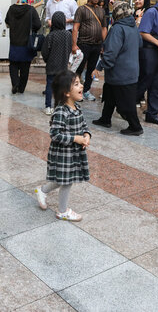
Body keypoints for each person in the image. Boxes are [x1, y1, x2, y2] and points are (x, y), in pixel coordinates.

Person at [34, 69, 91, 222]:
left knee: (63, 179)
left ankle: (42, 190)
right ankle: (62, 211)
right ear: (66, 92)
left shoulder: (77, 108)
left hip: (73, 153)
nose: (81, 86)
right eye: (77, 84)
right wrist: (75, 138)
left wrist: (86, 136)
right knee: (67, 181)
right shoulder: (61, 111)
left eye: (80, 83)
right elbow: (55, 134)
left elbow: (84, 126)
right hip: (63, 153)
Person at [91, 2, 143, 136]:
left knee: (127, 102)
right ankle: (105, 119)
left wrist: (99, 66)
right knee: (110, 94)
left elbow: (111, 52)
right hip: (131, 69)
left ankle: (135, 126)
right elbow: (140, 44)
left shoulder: (117, 28)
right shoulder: (133, 26)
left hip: (120, 71)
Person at [72, 0, 107, 101]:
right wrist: (74, 44)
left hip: (97, 45)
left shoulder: (101, 11)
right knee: (79, 69)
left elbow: (104, 28)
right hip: (84, 44)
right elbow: (75, 28)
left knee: (92, 69)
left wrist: (104, 45)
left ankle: (86, 90)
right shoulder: (81, 9)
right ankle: (74, 91)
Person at [5, 0, 41, 94]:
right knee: (25, 67)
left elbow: (7, 22)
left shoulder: (11, 9)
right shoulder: (31, 10)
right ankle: (21, 88)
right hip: (27, 44)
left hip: (14, 42)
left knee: (13, 65)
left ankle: (15, 83)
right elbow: (38, 25)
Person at [41, 12, 72, 115]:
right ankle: (58, 106)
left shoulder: (51, 35)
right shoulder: (68, 34)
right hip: (63, 65)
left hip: (51, 65)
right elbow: (69, 49)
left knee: (49, 85)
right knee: (61, 86)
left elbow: (45, 51)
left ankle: (48, 106)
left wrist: (47, 60)